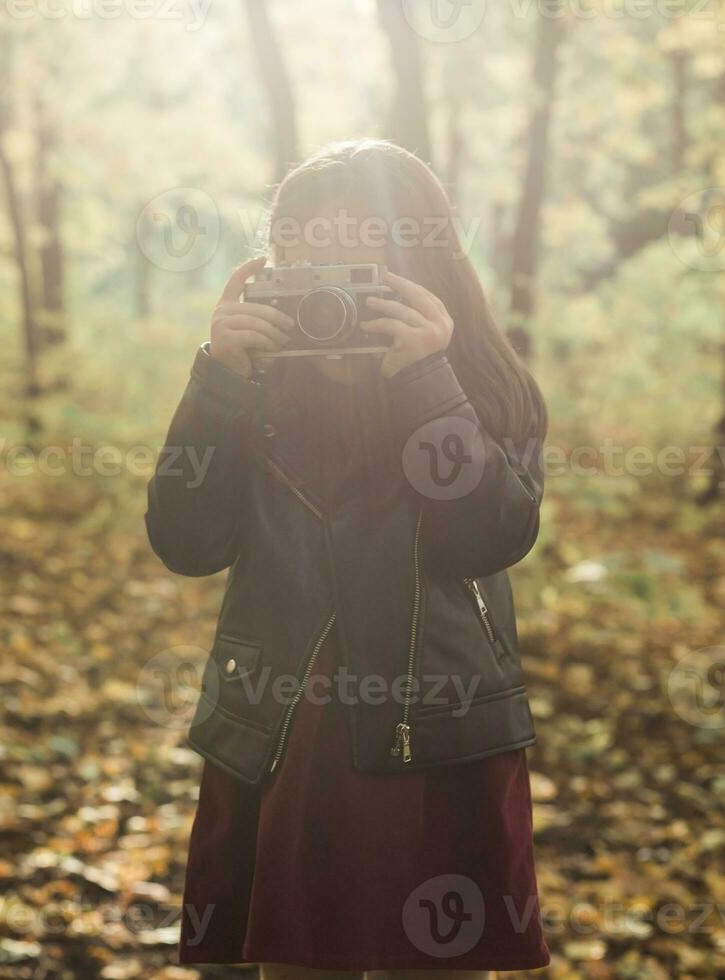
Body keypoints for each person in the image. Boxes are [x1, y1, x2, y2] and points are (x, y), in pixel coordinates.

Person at [146, 139, 550, 979]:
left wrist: (427, 379)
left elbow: (491, 537)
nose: (330, 259)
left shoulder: (479, 379)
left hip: (437, 730)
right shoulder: (250, 385)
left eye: (362, 236)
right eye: (303, 237)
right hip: (282, 730)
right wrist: (219, 380)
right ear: (276, 254)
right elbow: (186, 544)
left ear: (418, 253)